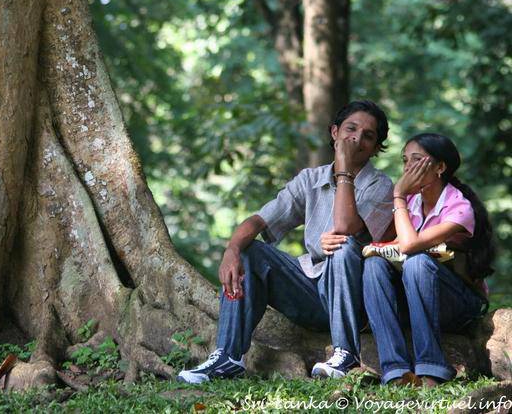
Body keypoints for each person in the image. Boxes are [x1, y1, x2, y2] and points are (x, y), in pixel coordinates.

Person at [177, 100, 394, 384]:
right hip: (311, 293)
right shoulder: (311, 179)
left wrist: (342, 168)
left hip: (353, 298)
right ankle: (228, 357)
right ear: (334, 132)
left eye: (368, 135)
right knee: (248, 252)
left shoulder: (381, 185)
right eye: (351, 129)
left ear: (377, 148)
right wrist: (231, 250)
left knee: (343, 246)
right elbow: (258, 221)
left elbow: (345, 227)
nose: (357, 139)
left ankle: (346, 354)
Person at [358, 133, 494, 387]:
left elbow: (409, 245)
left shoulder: (458, 207)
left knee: (417, 261)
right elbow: (396, 246)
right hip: (419, 296)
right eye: (405, 160)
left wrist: (398, 194)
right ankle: (395, 371)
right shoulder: (411, 203)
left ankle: (431, 369)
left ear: (440, 167)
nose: (408, 167)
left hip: (459, 303)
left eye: (417, 160)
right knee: (374, 264)